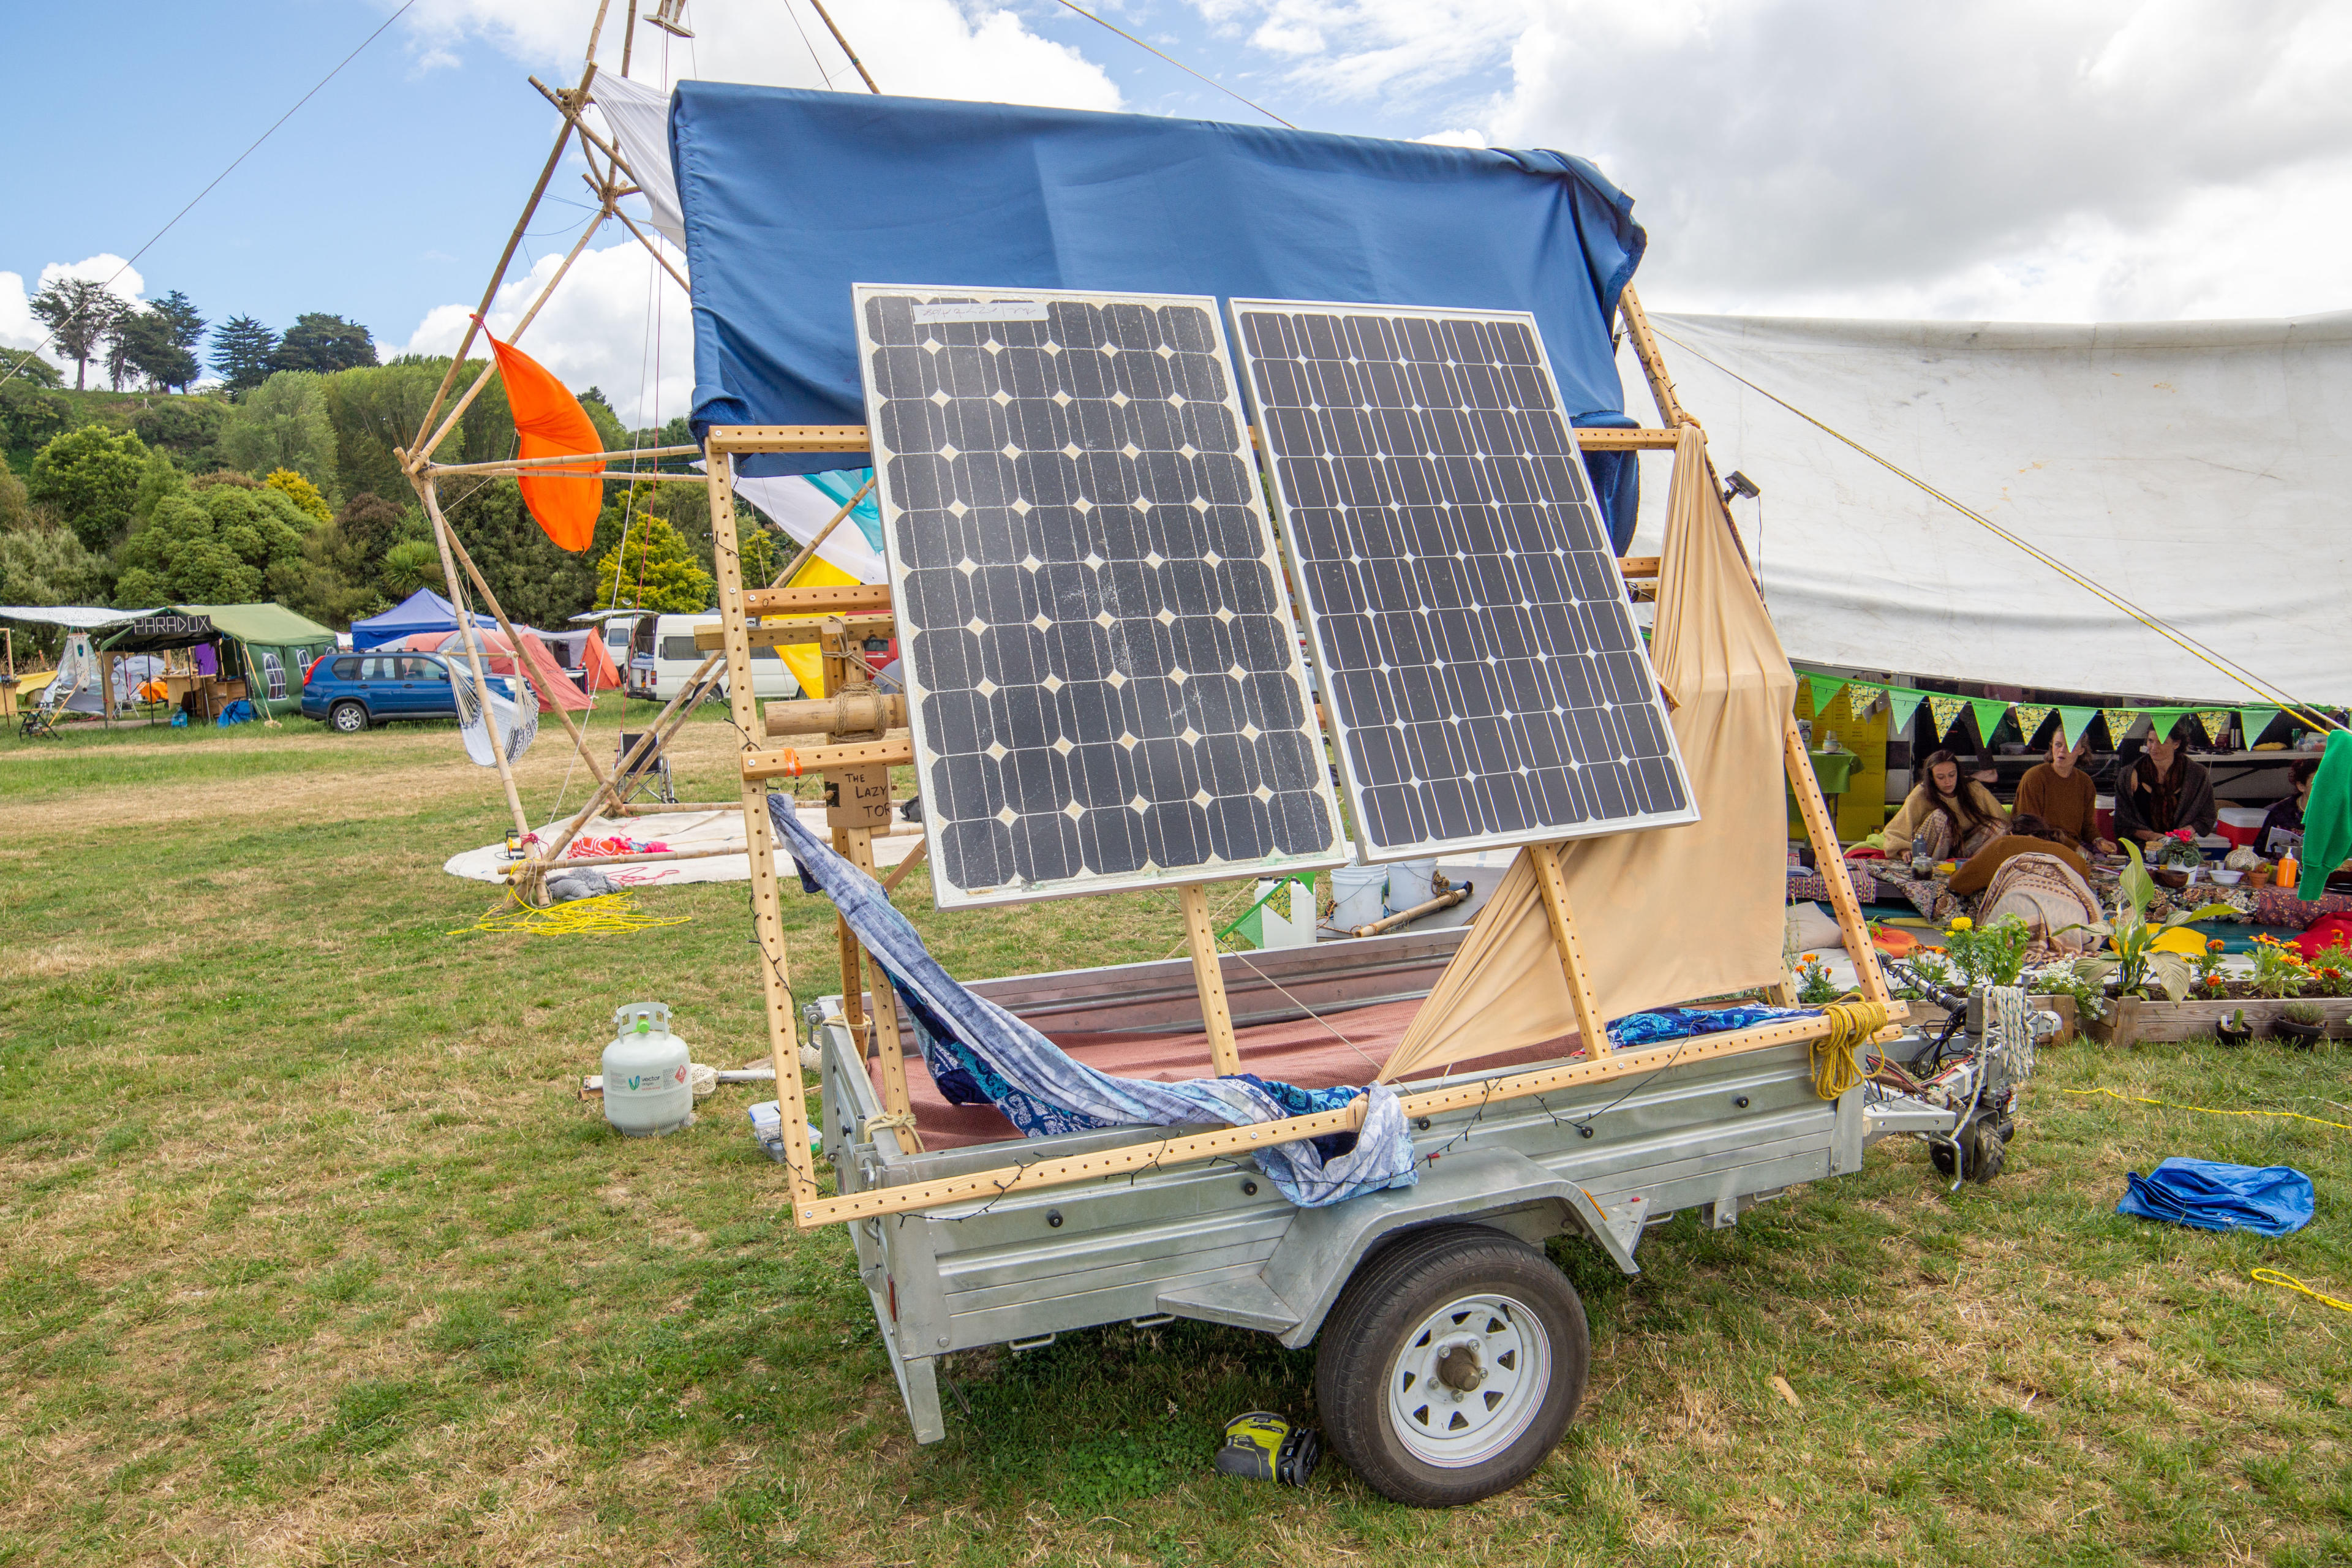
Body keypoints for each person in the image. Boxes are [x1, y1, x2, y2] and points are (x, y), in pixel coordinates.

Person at [1875, 748, 2009, 862]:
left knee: (2000, 827)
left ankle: (1970, 867)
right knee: (1941, 816)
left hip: (1964, 848)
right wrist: (1904, 851)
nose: (1948, 782)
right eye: (1941, 777)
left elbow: (2001, 818)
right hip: (1929, 852)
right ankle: (1936, 869)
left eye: (1952, 775)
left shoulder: (1973, 787)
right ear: (1932, 777)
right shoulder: (1921, 793)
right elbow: (1895, 831)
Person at [2013, 733, 2115, 853]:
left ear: (2082, 751)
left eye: (2069, 746)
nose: (2062, 750)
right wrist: (2074, 848)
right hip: (2040, 846)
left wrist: (2099, 840)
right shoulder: (2035, 777)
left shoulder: (2085, 782)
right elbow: (2031, 828)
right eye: (2058, 745)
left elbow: (2087, 826)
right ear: (2051, 747)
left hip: (2075, 845)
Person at [2112, 729, 2217, 846]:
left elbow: (2207, 816)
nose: (2153, 747)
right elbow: (2122, 824)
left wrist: (2189, 829)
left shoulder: (2197, 774)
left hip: (2181, 850)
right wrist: (2152, 837)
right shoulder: (2129, 775)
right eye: (2150, 741)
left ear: (2176, 744)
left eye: (2161, 742)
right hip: (2141, 849)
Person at [1948, 813, 2092, 895]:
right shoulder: (2073, 857)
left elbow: (1958, 884)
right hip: (2066, 924)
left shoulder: (2004, 845)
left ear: (2011, 834)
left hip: (2014, 921)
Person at [2258, 758, 2320, 856]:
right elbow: (2260, 851)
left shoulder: (2338, 812)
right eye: (2316, 783)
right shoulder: (2281, 812)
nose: (2322, 788)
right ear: (2301, 786)